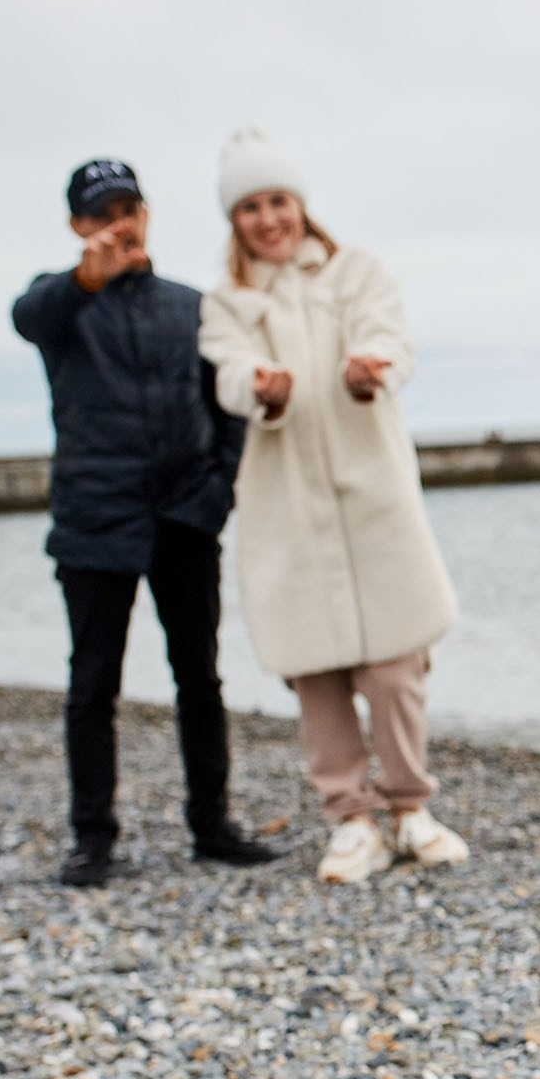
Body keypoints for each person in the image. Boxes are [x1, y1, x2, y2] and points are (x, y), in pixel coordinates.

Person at [197, 128, 468, 886]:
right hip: (286, 504)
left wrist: (367, 373)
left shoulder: (359, 272)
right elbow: (229, 373)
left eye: (277, 199)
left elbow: (391, 342)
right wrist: (263, 389)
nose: (267, 217)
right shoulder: (228, 300)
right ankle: (351, 819)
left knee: (396, 666)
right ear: (235, 220)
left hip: (372, 496)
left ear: (301, 205)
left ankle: (412, 806)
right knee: (313, 671)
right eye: (249, 206)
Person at [10, 158, 279, 887]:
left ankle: (213, 825)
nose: (119, 224)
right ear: (78, 227)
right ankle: (92, 836)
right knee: (92, 683)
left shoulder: (193, 306)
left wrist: (217, 491)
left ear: (149, 212)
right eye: (102, 214)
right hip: (94, 521)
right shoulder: (59, 303)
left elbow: (228, 404)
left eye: (128, 208)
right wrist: (85, 277)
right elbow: (26, 320)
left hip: (184, 517)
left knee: (199, 677)